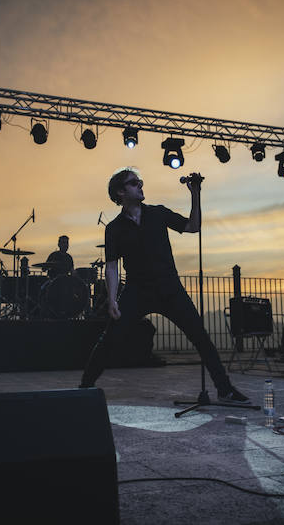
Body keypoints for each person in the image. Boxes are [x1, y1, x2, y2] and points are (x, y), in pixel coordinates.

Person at [80, 167, 249, 404]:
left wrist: (195, 195)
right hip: (137, 291)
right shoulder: (114, 228)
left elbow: (193, 226)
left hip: (169, 288)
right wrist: (112, 299)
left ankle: (225, 389)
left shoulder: (158, 213)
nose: (140, 185)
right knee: (110, 339)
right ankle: (84, 387)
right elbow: (111, 266)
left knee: (201, 337)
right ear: (120, 191)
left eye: (140, 181)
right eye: (133, 182)